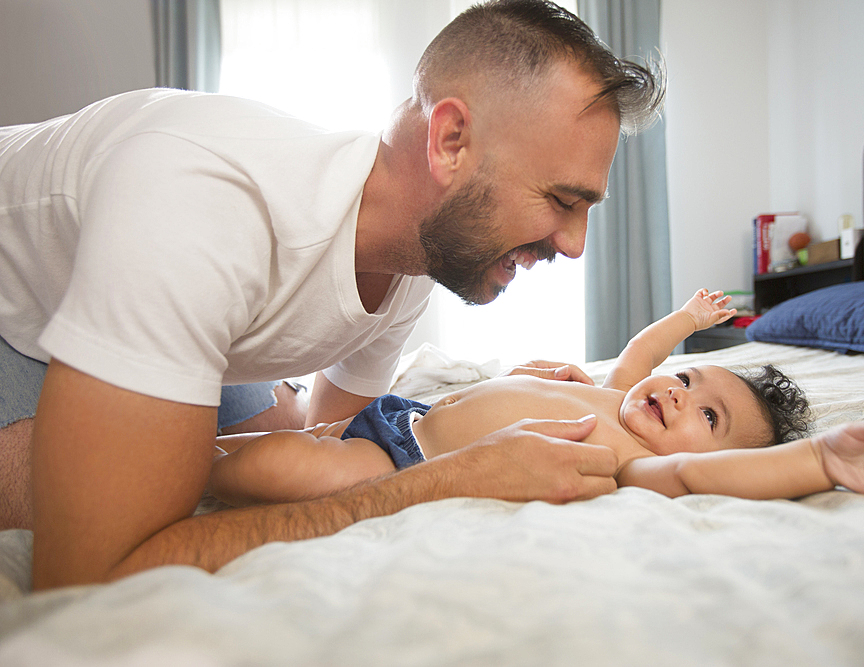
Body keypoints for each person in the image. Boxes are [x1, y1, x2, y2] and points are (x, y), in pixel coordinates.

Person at [0, 0, 666, 589]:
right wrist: (445, 479)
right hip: (16, 294)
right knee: (64, 508)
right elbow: (92, 573)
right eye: (561, 199)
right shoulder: (200, 208)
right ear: (450, 141)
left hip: (149, 295)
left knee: (270, 462)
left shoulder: (412, 254)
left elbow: (337, 439)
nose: (576, 245)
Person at [208, 289, 864, 507]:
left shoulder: (629, 461)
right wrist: (687, 321)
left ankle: (186, 476)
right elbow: (645, 355)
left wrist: (819, 460)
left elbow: (700, 475)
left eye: (708, 417)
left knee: (282, 470)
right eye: (690, 382)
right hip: (406, 414)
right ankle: (186, 452)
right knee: (285, 442)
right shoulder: (623, 393)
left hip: (396, 458)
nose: (679, 395)